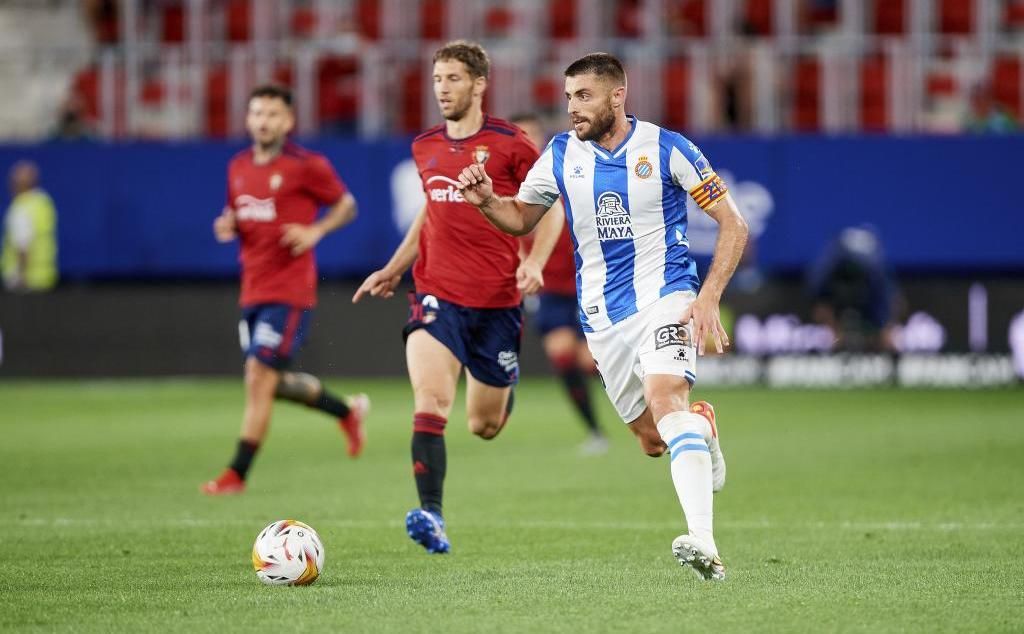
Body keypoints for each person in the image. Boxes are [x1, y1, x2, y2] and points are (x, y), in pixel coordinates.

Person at [455, 53, 749, 580]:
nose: (572, 108)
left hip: (667, 295)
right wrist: (485, 201)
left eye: (584, 96)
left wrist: (706, 300)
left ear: (618, 95)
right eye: (568, 97)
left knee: (665, 399)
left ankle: (704, 543)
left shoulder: (667, 147)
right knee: (653, 439)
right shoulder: (561, 154)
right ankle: (702, 425)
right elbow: (521, 217)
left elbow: (733, 224)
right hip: (602, 317)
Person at [353, 40, 564, 554]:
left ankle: (499, 388)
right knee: (431, 402)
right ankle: (432, 516)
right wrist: (395, 267)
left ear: (478, 84)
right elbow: (430, 209)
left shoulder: (512, 144)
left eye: (453, 79)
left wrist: (533, 260)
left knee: (484, 425)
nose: (442, 89)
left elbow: (550, 205)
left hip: (497, 303)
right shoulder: (425, 145)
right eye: (437, 79)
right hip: (436, 293)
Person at [201, 84, 369, 495]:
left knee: (259, 377)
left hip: (289, 291)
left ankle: (236, 474)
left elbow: (347, 204)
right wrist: (229, 224)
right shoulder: (238, 166)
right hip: (252, 290)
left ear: (288, 121)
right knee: (270, 382)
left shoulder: (305, 165)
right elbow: (237, 213)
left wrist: (316, 230)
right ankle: (346, 411)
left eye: (273, 114)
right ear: (247, 118)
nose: (264, 121)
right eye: (257, 113)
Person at [508, 112, 607, 455]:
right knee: (563, 355)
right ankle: (596, 432)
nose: (527, 142)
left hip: (589, 281)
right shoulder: (510, 186)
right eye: (520, 135)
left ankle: (649, 406)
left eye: (532, 134)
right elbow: (508, 232)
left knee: (591, 363)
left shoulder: (570, 169)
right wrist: (524, 265)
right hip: (549, 288)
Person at [2, 161, 58, 292]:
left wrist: (21, 277)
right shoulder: (43, 202)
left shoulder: (21, 208)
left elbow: (22, 245)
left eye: (13, 181)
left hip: (25, 282)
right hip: (44, 278)